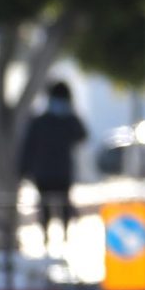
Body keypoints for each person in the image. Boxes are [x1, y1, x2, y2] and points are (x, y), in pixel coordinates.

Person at [17, 80, 89, 249]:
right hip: (49, 172)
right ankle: (48, 239)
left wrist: (24, 170)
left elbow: (81, 135)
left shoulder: (61, 120)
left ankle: (61, 238)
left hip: (55, 171)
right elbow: (29, 146)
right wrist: (24, 170)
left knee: (58, 204)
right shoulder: (42, 121)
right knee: (48, 205)